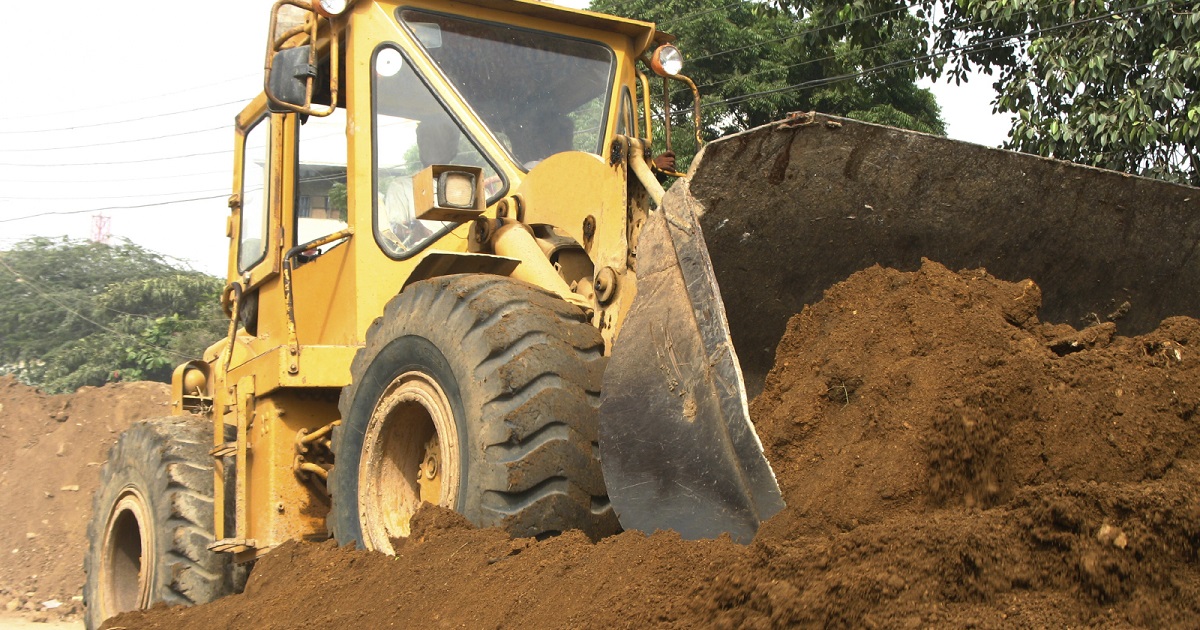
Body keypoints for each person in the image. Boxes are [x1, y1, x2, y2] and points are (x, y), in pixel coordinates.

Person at [380, 119, 460, 252]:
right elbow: (395, 237)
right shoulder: (401, 187)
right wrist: (413, 231)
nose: (431, 146)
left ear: (453, 148)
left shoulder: (473, 188)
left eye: (438, 140)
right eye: (425, 140)